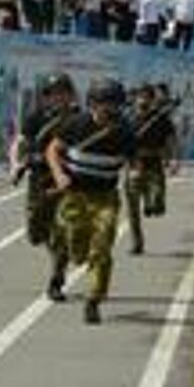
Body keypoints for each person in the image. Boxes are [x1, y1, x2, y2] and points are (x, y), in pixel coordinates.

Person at [44, 76, 134, 324]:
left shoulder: (124, 131)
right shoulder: (76, 124)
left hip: (105, 198)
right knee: (75, 246)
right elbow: (52, 150)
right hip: (75, 196)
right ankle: (62, 271)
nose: (111, 109)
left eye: (116, 104)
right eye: (107, 104)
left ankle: (94, 299)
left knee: (102, 247)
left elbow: (131, 161)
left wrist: (133, 174)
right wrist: (59, 175)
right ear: (93, 103)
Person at [10, 71, 76, 297]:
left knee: (63, 230)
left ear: (70, 94)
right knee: (36, 233)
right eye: (52, 94)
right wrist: (16, 164)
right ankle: (57, 253)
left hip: (66, 181)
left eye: (62, 93)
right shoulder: (36, 118)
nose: (57, 98)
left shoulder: (80, 120)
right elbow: (20, 142)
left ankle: (57, 277)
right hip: (38, 180)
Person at [124, 82, 176, 256]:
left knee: (157, 204)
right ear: (136, 98)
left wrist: (173, 160)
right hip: (133, 164)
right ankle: (136, 243)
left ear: (152, 100)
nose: (143, 100)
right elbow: (120, 141)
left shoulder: (161, 119)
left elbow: (171, 140)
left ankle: (151, 202)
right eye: (141, 96)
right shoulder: (128, 118)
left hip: (154, 163)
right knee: (132, 209)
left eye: (147, 97)